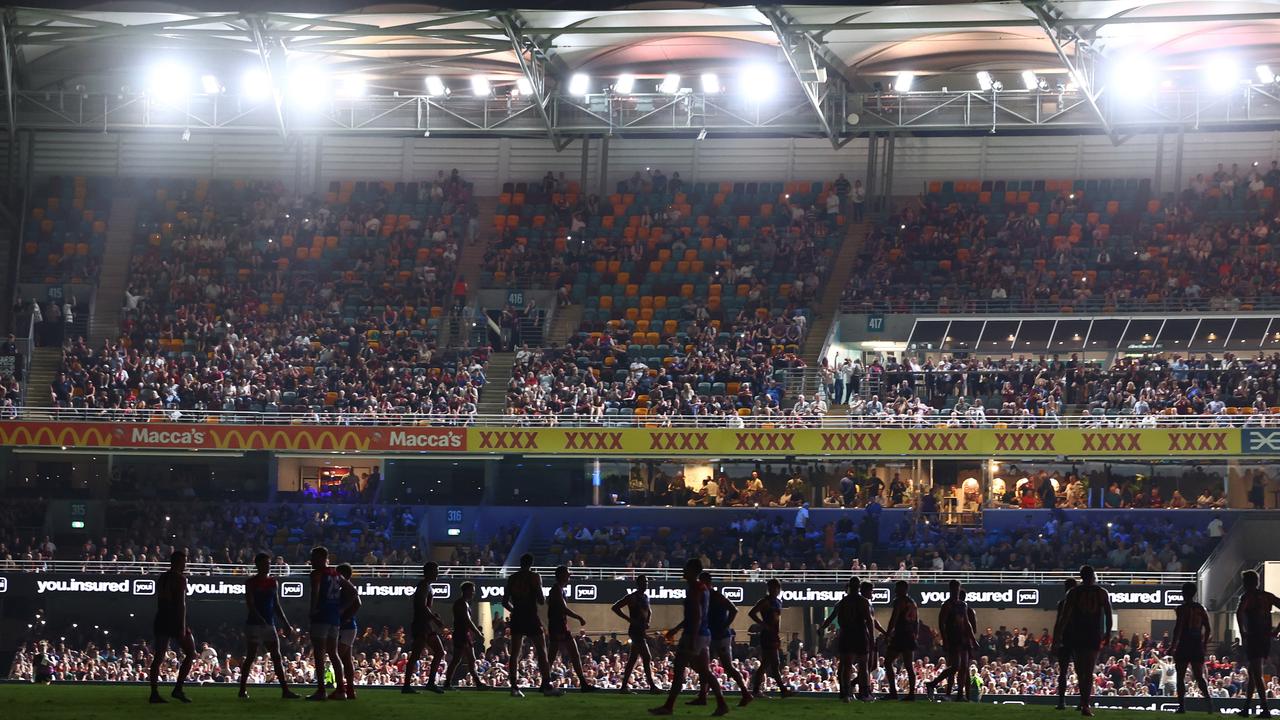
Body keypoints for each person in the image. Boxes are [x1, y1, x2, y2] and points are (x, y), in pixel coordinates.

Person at [648, 558, 729, 716]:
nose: (683, 571)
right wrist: (676, 629)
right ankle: (721, 703)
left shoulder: (695, 589)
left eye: (686, 569)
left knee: (680, 669)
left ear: (693, 571)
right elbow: (694, 615)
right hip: (703, 634)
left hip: (694, 634)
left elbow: (696, 616)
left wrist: (690, 638)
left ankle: (669, 706)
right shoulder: (703, 588)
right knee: (703, 671)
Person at [238, 552, 299, 699]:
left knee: (277, 656)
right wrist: (260, 619)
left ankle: (285, 690)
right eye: (265, 563)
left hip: (268, 624)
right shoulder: (251, 582)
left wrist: (286, 623)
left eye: (269, 563)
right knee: (251, 655)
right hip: (254, 624)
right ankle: (242, 690)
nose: (268, 566)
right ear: (258, 565)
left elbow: (276, 605)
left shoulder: (273, 582)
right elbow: (250, 604)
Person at [1058, 565, 1113, 716]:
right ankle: (1085, 704)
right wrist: (1107, 634)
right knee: (1087, 672)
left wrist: (1058, 636)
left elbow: (1064, 617)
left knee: (1081, 671)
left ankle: (1084, 703)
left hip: (1078, 635)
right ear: (1093, 576)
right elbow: (1108, 615)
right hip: (1093, 635)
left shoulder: (1074, 593)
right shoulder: (1101, 592)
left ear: (1081, 577)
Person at [503, 553, 560, 697]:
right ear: (531, 564)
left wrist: (514, 610)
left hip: (517, 617)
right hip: (530, 616)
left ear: (520, 563)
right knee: (542, 651)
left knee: (515, 653)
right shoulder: (534, 577)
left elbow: (504, 602)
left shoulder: (512, 578)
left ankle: (514, 687)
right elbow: (541, 600)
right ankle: (546, 685)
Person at [692, 572, 752, 706]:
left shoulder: (716, 596)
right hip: (712, 635)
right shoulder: (705, 596)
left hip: (721, 636)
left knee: (727, 666)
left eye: (701, 581)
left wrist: (725, 626)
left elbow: (734, 610)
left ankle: (745, 693)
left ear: (706, 582)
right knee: (704, 664)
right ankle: (703, 694)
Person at [307, 546, 354, 701]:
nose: (311, 561)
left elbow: (315, 592)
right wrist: (339, 610)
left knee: (319, 654)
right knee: (333, 654)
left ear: (322, 558)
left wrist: (313, 610)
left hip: (321, 617)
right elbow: (353, 592)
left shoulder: (317, 574)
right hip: (334, 619)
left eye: (314, 557)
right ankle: (341, 690)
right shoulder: (336, 574)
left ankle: (321, 691)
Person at [149, 551, 194, 704]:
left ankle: (154, 693)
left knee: (159, 656)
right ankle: (178, 689)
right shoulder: (180, 579)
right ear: (177, 562)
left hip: (161, 617)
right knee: (191, 652)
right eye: (183, 562)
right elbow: (181, 603)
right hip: (173, 619)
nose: (185, 564)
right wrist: (182, 625)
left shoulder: (162, 577)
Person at [818, 577, 873, 703]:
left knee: (847, 666)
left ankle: (847, 694)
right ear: (859, 587)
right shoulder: (863, 602)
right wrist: (871, 638)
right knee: (863, 665)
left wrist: (822, 628)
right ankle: (864, 694)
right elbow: (869, 621)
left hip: (847, 634)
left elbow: (831, 618)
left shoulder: (842, 602)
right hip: (859, 635)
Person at [1236, 569, 1280, 716]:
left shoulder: (1247, 596)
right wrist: (1276, 630)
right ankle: (1247, 708)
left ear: (1247, 583)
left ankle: (1265, 709)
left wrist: (1242, 633)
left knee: (1256, 672)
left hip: (1254, 637)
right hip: (1266, 638)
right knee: (1252, 673)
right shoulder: (1267, 596)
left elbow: (1239, 612)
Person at [926, 579, 978, 701]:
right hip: (953, 638)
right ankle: (933, 683)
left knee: (964, 667)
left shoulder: (963, 605)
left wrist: (973, 640)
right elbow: (941, 623)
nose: (956, 591)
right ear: (951, 589)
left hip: (963, 639)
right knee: (955, 666)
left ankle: (960, 695)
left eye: (958, 588)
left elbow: (967, 623)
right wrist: (945, 640)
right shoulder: (947, 605)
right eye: (955, 588)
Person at [546, 565, 594, 692]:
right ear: (561, 575)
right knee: (572, 653)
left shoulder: (558, 590)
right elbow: (563, 608)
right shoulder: (556, 590)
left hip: (557, 625)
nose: (570, 576)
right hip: (559, 626)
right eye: (568, 574)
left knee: (554, 655)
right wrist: (579, 617)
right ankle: (583, 684)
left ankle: (545, 683)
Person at [402, 562, 447, 694]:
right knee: (416, 654)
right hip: (421, 625)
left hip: (425, 625)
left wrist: (433, 618)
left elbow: (424, 606)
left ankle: (430, 683)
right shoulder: (423, 586)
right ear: (429, 572)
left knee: (439, 652)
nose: (437, 573)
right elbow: (422, 605)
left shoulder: (427, 586)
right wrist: (434, 618)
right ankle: (407, 685)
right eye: (436, 570)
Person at [612, 575, 659, 693]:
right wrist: (629, 619)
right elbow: (615, 607)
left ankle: (623, 687)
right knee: (647, 657)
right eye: (644, 582)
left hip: (641, 630)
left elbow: (649, 611)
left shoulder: (645, 597)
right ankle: (652, 686)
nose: (646, 584)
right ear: (638, 584)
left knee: (633, 659)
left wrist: (648, 621)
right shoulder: (632, 597)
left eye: (647, 582)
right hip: (635, 630)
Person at [1170, 581, 1212, 714]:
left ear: (1184, 593)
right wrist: (1204, 643)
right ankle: (1209, 703)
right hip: (1196, 644)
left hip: (1184, 644)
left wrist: (1173, 646)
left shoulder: (1182, 609)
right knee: (1199, 676)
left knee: (1180, 676)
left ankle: (1182, 706)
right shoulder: (1201, 608)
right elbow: (1208, 628)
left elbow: (1178, 628)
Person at [748, 579, 792, 699]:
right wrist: (762, 624)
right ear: (769, 589)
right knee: (774, 663)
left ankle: (756, 690)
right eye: (773, 588)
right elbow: (752, 613)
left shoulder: (778, 601)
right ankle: (782, 690)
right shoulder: (765, 601)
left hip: (774, 634)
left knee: (766, 664)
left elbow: (777, 619)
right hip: (767, 635)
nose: (775, 590)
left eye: (777, 588)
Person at [443, 582, 487, 689]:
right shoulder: (462, 603)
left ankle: (478, 683)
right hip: (461, 634)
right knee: (458, 660)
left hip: (463, 634)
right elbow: (468, 620)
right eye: (472, 590)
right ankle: (447, 683)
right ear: (466, 591)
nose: (473, 592)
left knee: (469, 660)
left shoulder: (463, 603)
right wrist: (478, 633)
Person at [883, 579, 919, 701]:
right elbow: (917, 621)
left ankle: (893, 692)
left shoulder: (899, 601)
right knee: (909, 666)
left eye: (897, 588)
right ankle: (911, 694)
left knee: (888, 662)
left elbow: (894, 618)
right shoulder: (913, 602)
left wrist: (888, 634)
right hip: (909, 636)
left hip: (900, 635)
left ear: (903, 589)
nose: (895, 590)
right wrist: (915, 634)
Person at [334, 563, 362, 700]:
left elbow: (358, 604)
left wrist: (345, 616)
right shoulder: (344, 588)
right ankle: (350, 690)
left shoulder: (348, 588)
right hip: (348, 627)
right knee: (346, 660)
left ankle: (341, 689)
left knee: (336, 657)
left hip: (347, 627)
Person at [1051, 577, 1078, 710]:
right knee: (1080, 672)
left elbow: (1058, 623)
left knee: (1064, 671)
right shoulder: (1069, 603)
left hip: (1068, 639)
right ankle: (1081, 702)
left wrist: (1055, 641)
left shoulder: (1063, 603)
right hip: (1076, 640)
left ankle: (1062, 701)